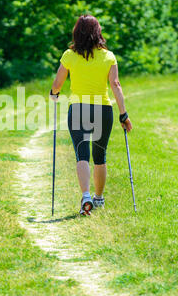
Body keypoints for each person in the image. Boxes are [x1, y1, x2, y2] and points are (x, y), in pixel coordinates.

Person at [50, 15, 132, 216]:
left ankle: (86, 195)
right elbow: (115, 85)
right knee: (100, 156)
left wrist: (54, 94)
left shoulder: (69, 55)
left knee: (82, 153)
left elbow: (58, 83)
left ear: (77, 32)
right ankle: (99, 199)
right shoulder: (109, 56)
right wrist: (123, 114)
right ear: (98, 33)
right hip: (102, 109)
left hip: (78, 108)